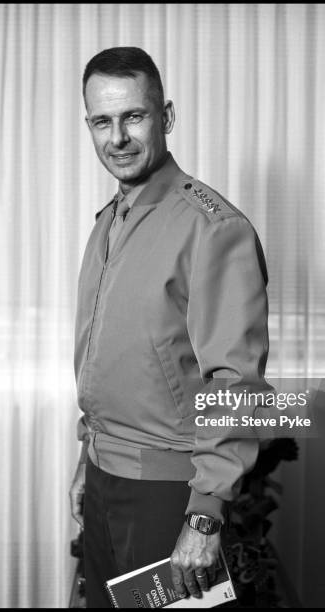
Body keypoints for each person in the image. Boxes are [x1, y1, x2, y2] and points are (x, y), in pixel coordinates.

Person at [69, 46, 270, 608]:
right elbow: (108, 362)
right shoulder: (108, 222)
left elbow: (236, 384)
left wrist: (205, 516)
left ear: (166, 117)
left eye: (134, 116)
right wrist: (88, 460)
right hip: (105, 481)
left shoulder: (213, 228)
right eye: (102, 121)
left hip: (168, 492)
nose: (118, 138)